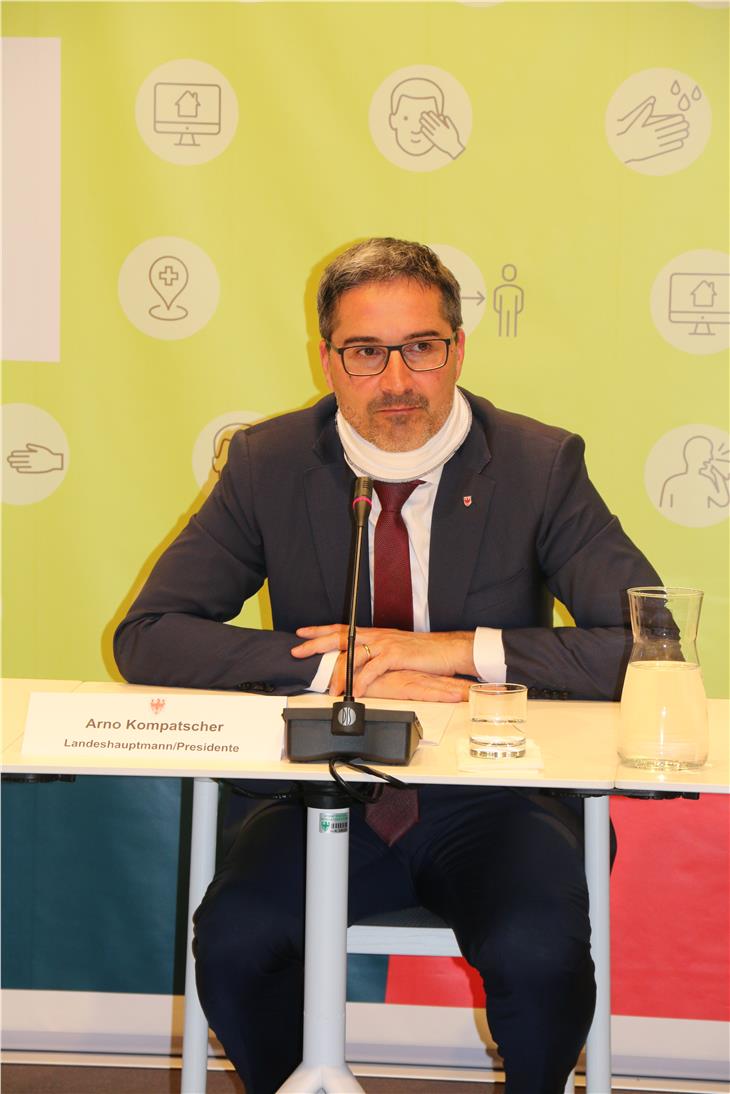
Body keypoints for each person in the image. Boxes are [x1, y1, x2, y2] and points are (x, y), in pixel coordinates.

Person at [114, 238, 659, 1093]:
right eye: (366, 352)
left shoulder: (538, 465)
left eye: (421, 347)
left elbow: (647, 645)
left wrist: (454, 651)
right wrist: (342, 668)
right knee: (236, 945)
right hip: (323, 790)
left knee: (539, 953)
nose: (397, 380)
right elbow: (148, 635)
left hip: (496, 793)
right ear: (327, 359)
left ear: (458, 350)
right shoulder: (268, 464)